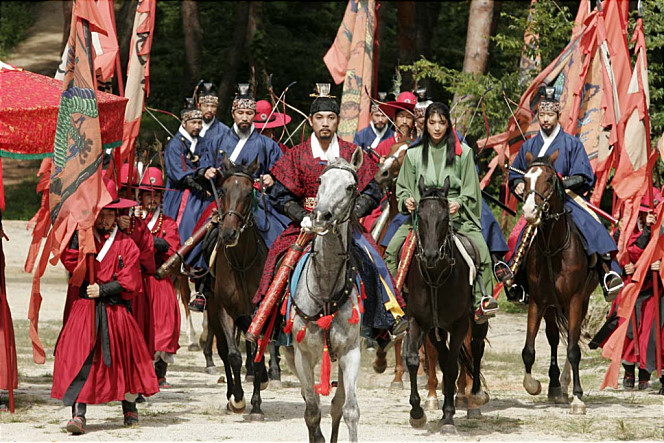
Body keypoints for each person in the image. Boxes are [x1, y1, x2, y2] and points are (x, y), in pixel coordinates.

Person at [255, 83, 407, 345]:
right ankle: (269, 322)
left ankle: (383, 321)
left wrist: (354, 212)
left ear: (337, 121)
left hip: (345, 225)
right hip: (305, 224)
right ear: (311, 121)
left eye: (330, 118)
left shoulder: (351, 153)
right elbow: (280, 195)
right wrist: (300, 214)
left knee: (373, 260)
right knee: (277, 258)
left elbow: (371, 192)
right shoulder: (296, 154)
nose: (325, 123)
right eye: (319, 118)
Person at [494, 86, 623, 303]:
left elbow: (584, 175)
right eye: (542, 115)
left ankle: (607, 273)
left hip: (567, 199)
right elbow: (517, 173)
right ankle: (516, 284)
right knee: (517, 236)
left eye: (550, 115)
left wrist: (563, 184)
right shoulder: (530, 144)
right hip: (537, 203)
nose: (545, 119)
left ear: (557, 115)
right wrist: (517, 184)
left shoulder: (572, 143)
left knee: (593, 225)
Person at [51, 178, 159, 435]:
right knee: (77, 355)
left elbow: (131, 278)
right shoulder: (84, 238)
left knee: (128, 358)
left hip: (115, 308)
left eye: (110, 214)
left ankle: (129, 406)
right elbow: (69, 262)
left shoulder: (126, 244)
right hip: (85, 308)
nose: (105, 220)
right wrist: (78, 237)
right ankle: (78, 413)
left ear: (116, 215)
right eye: (100, 213)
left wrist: (104, 288)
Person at [384, 102, 499, 324]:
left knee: (482, 252)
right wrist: (406, 198)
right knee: (390, 251)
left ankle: (480, 302)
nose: (437, 128)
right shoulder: (414, 153)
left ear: (448, 125)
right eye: (432, 122)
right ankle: (393, 305)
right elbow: (404, 186)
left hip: (456, 218)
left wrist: (459, 201)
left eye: (442, 123)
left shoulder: (463, 153)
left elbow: (471, 188)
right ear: (425, 124)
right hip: (422, 217)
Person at [187, 85, 290, 312]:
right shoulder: (216, 139)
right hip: (225, 201)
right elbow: (202, 162)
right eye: (240, 113)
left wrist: (271, 178)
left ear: (254, 116)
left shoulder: (266, 144)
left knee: (277, 235)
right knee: (204, 235)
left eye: (249, 114)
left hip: (256, 201)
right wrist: (207, 171)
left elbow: (282, 170)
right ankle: (202, 286)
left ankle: (279, 282)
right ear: (233, 114)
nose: (245, 118)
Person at [591, 189, 664, 393]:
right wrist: (622, 268)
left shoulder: (661, 227)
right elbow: (621, 254)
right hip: (630, 287)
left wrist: (661, 265)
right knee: (627, 332)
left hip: (652, 288)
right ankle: (628, 372)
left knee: (648, 333)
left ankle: (644, 375)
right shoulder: (624, 230)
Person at [136, 167, 182, 388]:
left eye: (156, 195)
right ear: (141, 197)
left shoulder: (169, 223)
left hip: (159, 277)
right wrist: (151, 243)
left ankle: (160, 372)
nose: (152, 199)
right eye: (147, 194)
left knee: (164, 325)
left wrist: (155, 245)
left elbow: (172, 249)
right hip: (138, 279)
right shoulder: (134, 220)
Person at [375, 91, 417, 158]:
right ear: (394, 119)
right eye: (401, 116)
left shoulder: (418, 145)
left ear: (414, 121)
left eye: (409, 117)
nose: (404, 121)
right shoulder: (383, 146)